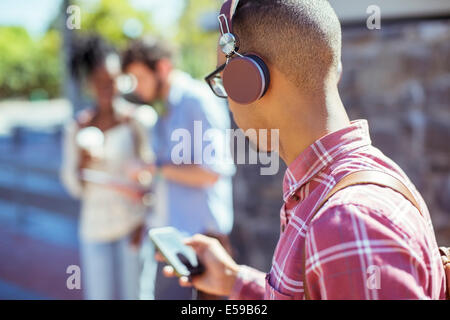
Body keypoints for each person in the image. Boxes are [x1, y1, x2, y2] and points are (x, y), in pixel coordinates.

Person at [158, 0, 447, 299]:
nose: (226, 99)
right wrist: (233, 281)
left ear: (247, 80)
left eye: (223, 79)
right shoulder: (344, 190)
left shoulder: (348, 223)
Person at [121, 37, 235, 299]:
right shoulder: (166, 106)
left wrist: (156, 170)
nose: (136, 88)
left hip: (200, 247)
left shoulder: (196, 100)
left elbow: (211, 172)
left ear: (161, 68)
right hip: (172, 243)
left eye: (139, 78)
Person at [61, 34, 152, 300]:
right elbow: (72, 186)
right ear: (89, 83)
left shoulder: (137, 122)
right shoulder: (77, 128)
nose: (106, 88)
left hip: (132, 228)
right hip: (95, 231)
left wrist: (145, 220)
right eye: (99, 82)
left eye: (111, 80)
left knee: (136, 296)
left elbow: (151, 177)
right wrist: (82, 162)